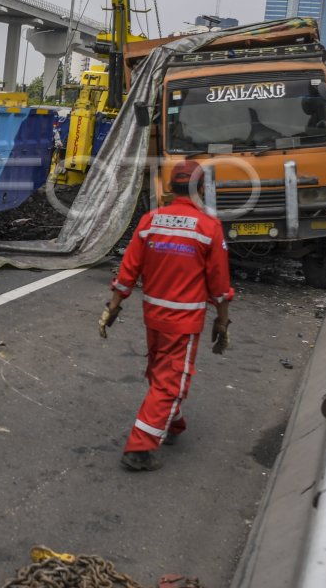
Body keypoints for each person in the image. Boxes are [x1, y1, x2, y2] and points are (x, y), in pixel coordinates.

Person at [99, 160, 235, 472]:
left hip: (153, 316)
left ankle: (172, 423)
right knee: (173, 382)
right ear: (201, 189)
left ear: (171, 188)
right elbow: (219, 286)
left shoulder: (150, 221)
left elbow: (127, 272)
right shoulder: (208, 227)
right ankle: (139, 448)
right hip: (183, 322)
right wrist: (222, 321)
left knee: (162, 371)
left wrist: (113, 308)